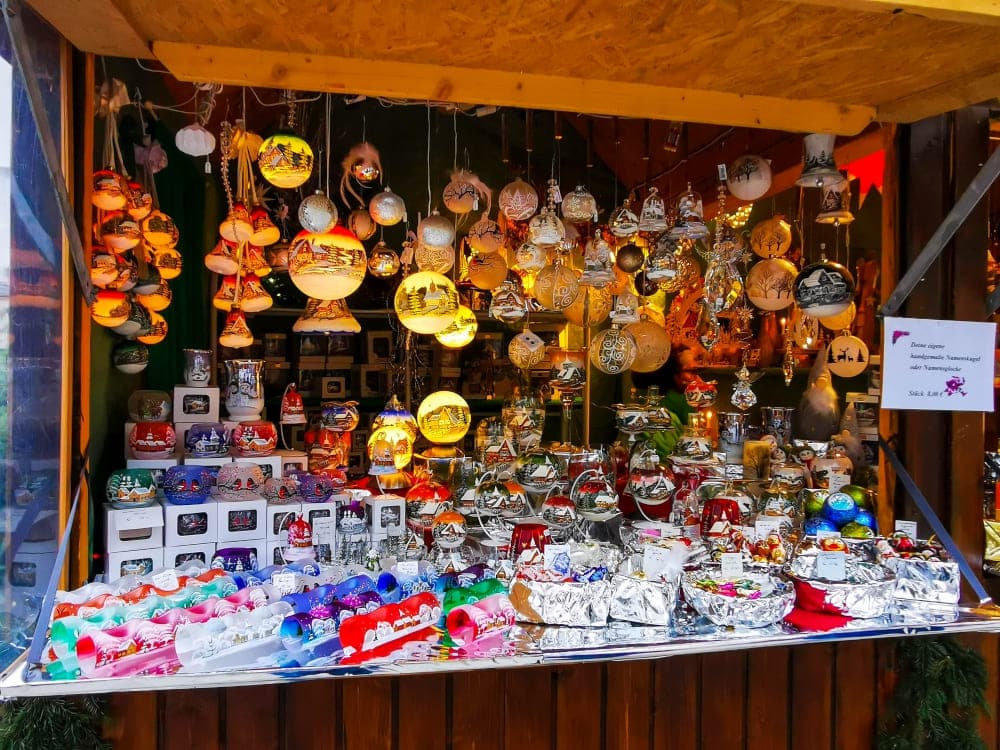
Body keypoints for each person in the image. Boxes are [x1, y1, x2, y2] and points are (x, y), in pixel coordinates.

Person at [629, 344, 702, 460]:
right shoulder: (684, 400)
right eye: (692, 371)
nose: (698, 379)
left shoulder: (640, 395)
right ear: (673, 372)